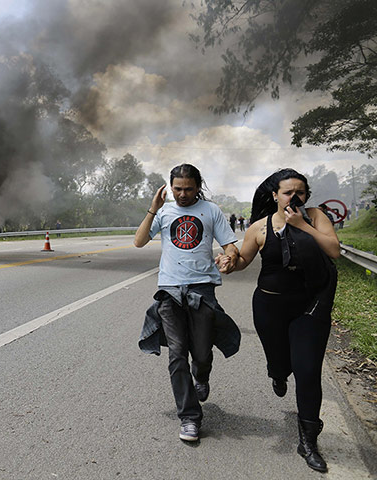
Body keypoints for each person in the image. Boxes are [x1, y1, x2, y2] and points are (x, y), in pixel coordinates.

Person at [218, 168, 339, 472]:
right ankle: (277, 372)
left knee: (308, 370)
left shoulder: (316, 217)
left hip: (310, 306)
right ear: (275, 195)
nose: (294, 197)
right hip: (269, 307)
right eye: (287, 192)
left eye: (300, 192)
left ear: (306, 194)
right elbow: (243, 260)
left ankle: (308, 441)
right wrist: (230, 262)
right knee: (280, 362)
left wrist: (302, 225)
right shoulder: (259, 227)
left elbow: (334, 250)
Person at [135, 163, 240, 443]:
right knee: (177, 353)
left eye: (188, 188)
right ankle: (190, 417)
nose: (182, 194)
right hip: (169, 290)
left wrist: (228, 257)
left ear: (198, 186)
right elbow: (139, 241)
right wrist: (153, 208)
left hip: (202, 288)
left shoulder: (211, 211)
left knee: (202, 354)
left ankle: (201, 376)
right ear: (170, 187)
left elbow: (230, 244)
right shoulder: (164, 211)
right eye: (177, 188)